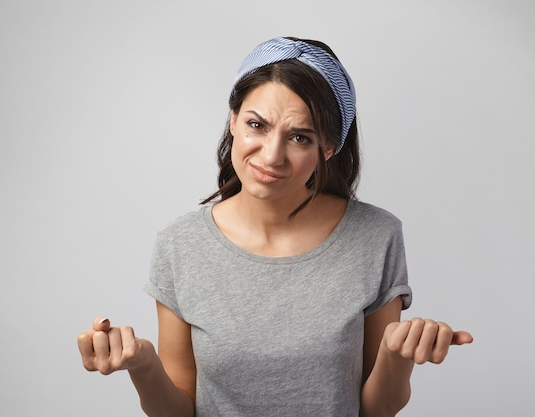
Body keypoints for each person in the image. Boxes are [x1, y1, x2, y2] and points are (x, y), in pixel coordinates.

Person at [77, 36, 473, 417]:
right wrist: (144, 365)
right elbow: (177, 410)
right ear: (233, 120)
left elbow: (376, 410)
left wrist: (397, 356)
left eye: (299, 137)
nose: (272, 155)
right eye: (256, 125)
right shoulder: (179, 244)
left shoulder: (376, 236)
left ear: (328, 147)